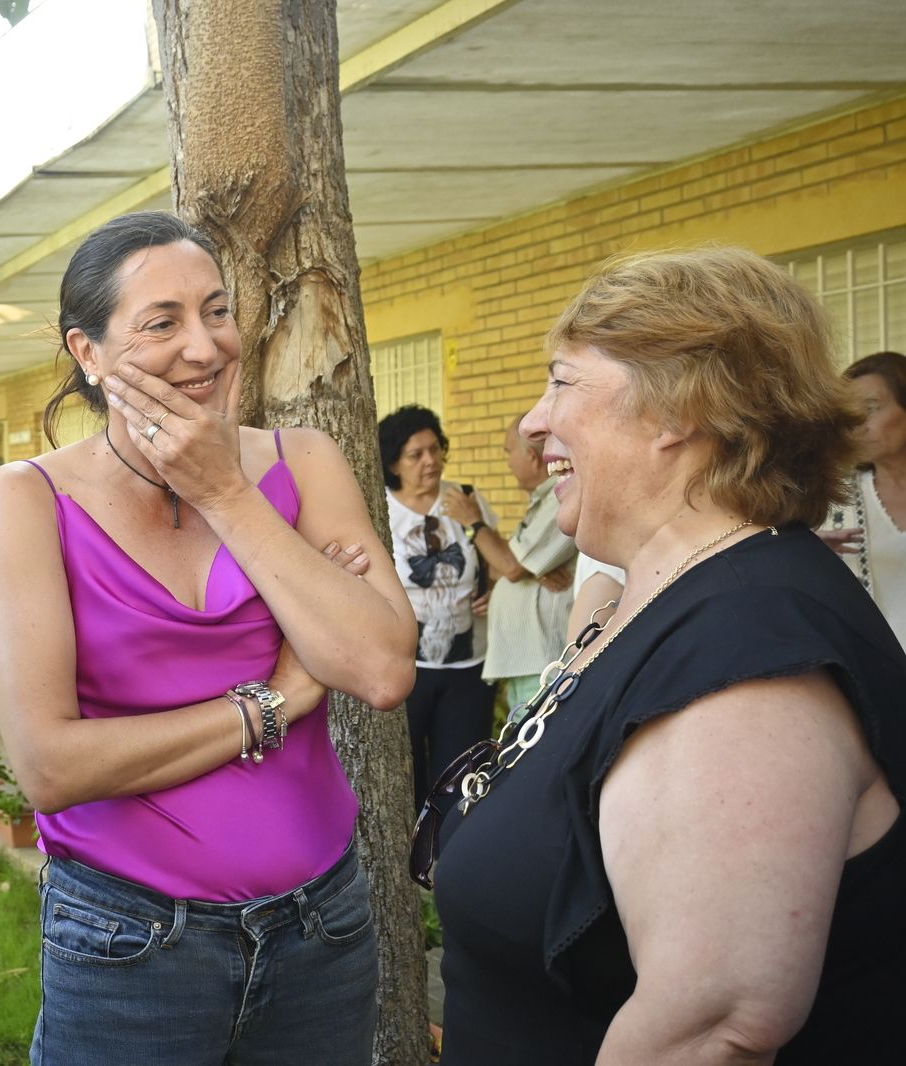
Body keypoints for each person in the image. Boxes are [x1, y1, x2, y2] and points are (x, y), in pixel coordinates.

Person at [420, 247, 906, 1064]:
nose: (536, 422)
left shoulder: (751, 655)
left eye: (563, 382)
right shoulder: (671, 590)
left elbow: (710, 1030)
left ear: (680, 410)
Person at [0, 211, 417, 1065]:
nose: (206, 348)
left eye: (217, 312)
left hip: (321, 930)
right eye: (162, 324)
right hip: (130, 946)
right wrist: (277, 700)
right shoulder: (26, 502)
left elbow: (381, 666)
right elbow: (51, 766)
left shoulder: (304, 461)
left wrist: (225, 492)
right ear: (89, 353)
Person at [378, 404, 500, 811]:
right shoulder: (381, 510)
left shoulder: (466, 499)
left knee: (461, 772)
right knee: (406, 768)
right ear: (394, 462)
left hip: (469, 665)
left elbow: (498, 561)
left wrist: (494, 590)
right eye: (416, 454)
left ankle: (451, 858)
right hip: (405, 667)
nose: (431, 461)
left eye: (435, 449)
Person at [448, 414, 576, 711]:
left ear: (532, 458)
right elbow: (503, 566)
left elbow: (510, 566)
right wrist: (530, 570)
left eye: (508, 452)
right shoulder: (543, 500)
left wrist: (473, 522)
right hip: (529, 662)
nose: (507, 462)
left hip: (545, 663)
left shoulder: (560, 498)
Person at [819, 351, 906, 647]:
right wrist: (809, 552)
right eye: (851, 414)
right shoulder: (836, 500)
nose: (859, 424)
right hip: (879, 679)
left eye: (871, 408)